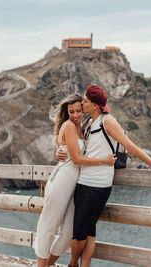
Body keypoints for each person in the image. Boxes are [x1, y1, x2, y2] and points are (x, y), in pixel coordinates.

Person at [57, 85, 151, 267]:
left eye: (85, 101)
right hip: (86, 183)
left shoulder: (107, 121)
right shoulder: (89, 122)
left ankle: (72, 264)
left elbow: (130, 146)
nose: (82, 103)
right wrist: (60, 150)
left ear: (95, 105)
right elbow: (72, 142)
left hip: (95, 186)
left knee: (79, 234)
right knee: (89, 232)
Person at [34, 94, 116, 267]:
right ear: (67, 112)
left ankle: (48, 264)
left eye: (79, 110)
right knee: (48, 226)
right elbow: (77, 159)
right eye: (71, 112)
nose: (76, 115)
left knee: (68, 233)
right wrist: (105, 161)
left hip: (78, 184)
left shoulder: (84, 126)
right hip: (62, 180)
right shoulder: (69, 126)